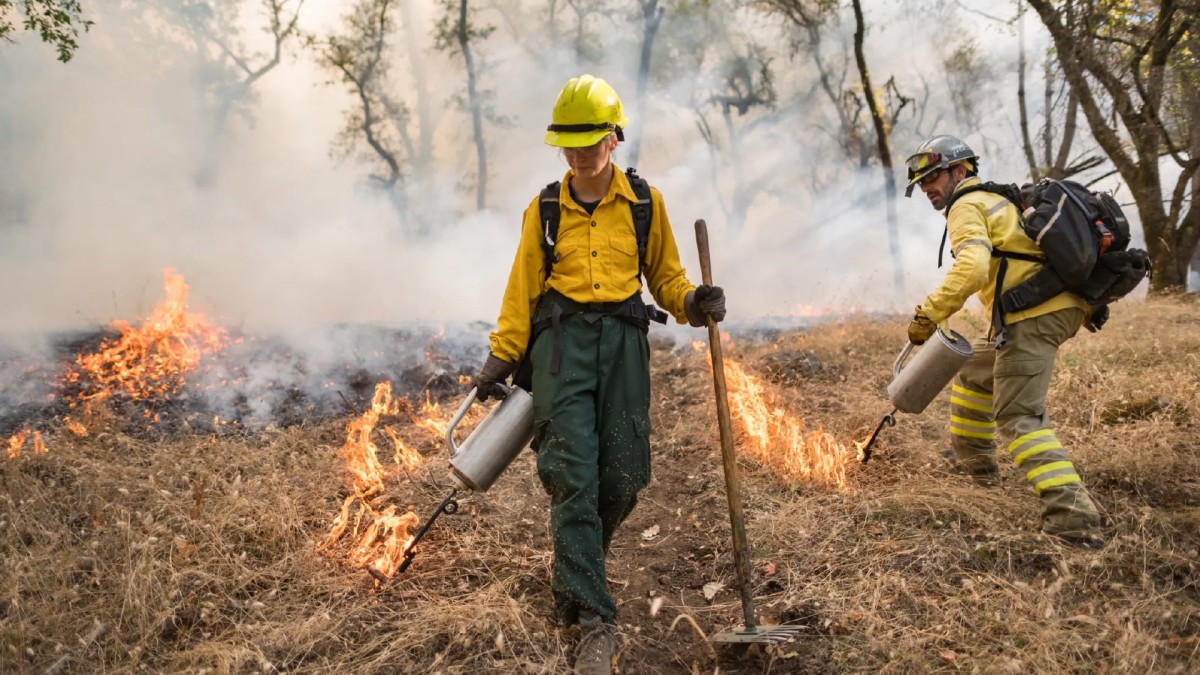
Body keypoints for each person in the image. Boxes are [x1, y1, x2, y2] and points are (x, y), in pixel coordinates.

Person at [473, 74, 726, 674]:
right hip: (561, 351)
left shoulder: (644, 203)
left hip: (623, 346)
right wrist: (500, 357)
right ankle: (591, 619)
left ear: (614, 138)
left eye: (589, 142)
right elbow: (521, 291)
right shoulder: (545, 208)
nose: (579, 155)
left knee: (626, 476)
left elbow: (666, 277)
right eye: (569, 143)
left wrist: (693, 303)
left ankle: (576, 557)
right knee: (571, 476)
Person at [904, 134, 1103, 548]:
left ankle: (1074, 522)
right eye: (921, 183)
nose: (926, 188)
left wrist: (927, 314)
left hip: (1034, 313)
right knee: (974, 373)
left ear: (961, 171)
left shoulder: (966, 204)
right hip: (1052, 306)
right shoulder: (999, 200)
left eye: (933, 177)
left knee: (1020, 419)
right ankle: (977, 472)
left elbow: (973, 268)